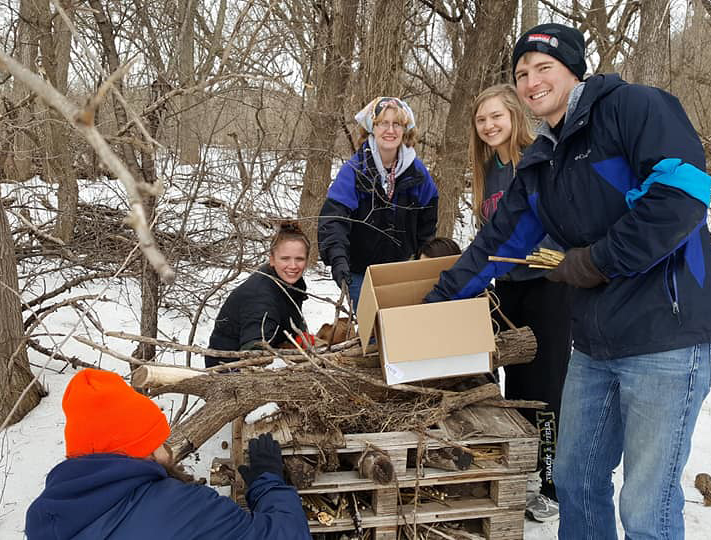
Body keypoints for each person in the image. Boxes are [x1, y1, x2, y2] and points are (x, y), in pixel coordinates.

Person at [425, 22, 711, 539]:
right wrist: (433, 307)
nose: (531, 81)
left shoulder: (634, 108)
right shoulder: (543, 160)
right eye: (521, 73)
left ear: (573, 69)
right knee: (575, 480)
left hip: (665, 338)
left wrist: (594, 261)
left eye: (544, 67)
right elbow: (498, 244)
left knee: (645, 505)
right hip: (594, 342)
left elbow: (682, 195)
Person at [25, 369, 311, 539]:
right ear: (141, 449)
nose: (168, 450)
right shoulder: (183, 508)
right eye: (159, 440)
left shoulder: (47, 515)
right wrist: (269, 482)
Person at [469, 83, 571, 522]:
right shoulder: (489, 170)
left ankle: (552, 483)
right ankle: (526, 466)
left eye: (497, 116)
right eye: (481, 120)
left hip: (547, 286)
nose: (489, 126)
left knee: (546, 390)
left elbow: (566, 222)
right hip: (505, 289)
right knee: (515, 383)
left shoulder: (540, 158)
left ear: (515, 115)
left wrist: (545, 250)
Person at [318, 96, 438, 309]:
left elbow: (427, 225)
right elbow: (334, 220)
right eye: (383, 123)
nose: (390, 130)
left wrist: (422, 260)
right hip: (361, 273)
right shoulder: (354, 171)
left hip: (402, 271)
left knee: (402, 329)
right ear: (372, 128)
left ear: (405, 129)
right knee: (373, 334)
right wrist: (338, 259)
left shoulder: (418, 173)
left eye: (397, 124)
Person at [207, 221, 314, 367]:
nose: (293, 266)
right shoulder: (261, 297)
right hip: (229, 370)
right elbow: (254, 354)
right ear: (272, 259)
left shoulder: (288, 284)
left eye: (299, 259)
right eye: (285, 258)